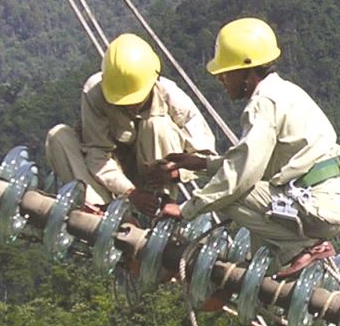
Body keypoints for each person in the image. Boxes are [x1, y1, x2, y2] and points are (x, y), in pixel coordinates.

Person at [142, 16, 340, 278]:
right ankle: (273, 267)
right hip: (330, 203)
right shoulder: (285, 92)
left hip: (315, 208)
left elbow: (240, 175)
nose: (222, 79)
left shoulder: (262, 104)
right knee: (241, 195)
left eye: (226, 72)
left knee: (230, 195)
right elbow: (253, 160)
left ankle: (302, 249)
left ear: (247, 72)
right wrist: (201, 164)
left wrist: (186, 210)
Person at [45, 33, 216, 209]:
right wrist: (129, 192)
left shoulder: (172, 97)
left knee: (157, 125)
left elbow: (205, 155)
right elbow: (97, 152)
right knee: (58, 136)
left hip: (153, 176)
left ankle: (162, 203)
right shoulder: (94, 92)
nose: (131, 106)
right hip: (105, 175)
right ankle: (100, 209)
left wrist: (174, 174)